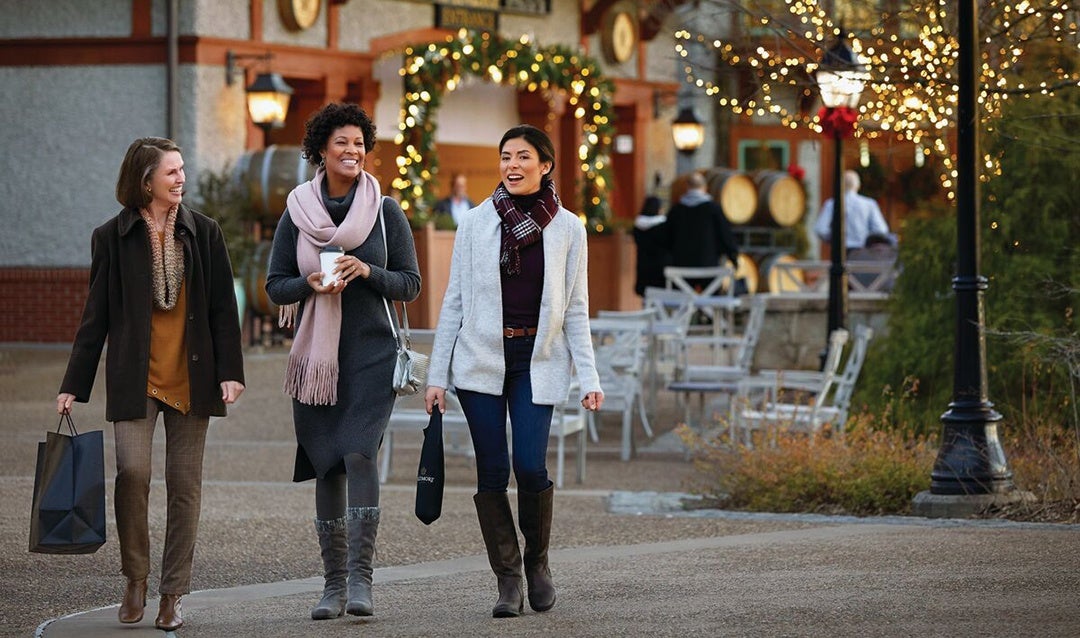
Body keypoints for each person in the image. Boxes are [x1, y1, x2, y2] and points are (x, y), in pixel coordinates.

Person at [56, 136, 246, 631]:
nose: (181, 178)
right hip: (134, 379)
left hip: (193, 377)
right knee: (133, 474)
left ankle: (172, 593)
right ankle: (135, 577)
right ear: (146, 181)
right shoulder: (111, 237)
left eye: (182, 170)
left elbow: (224, 309)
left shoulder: (204, 232)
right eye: (171, 172)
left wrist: (231, 371)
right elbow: (94, 317)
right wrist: (73, 384)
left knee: (185, 486)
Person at [424, 124, 604, 619]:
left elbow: (576, 309)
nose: (513, 165)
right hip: (481, 362)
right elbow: (454, 303)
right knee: (492, 471)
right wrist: (437, 376)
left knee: (530, 465)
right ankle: (508, 580)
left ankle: (538, 562)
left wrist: (589, 377)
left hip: (536, 362)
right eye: (506, 157)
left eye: (524, 156)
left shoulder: (568, 228)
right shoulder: (476, 223)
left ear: (545, 165)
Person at [264, 102, 420, 622]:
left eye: (359, 143)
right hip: (315, 359)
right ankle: (332, 585)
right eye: (341, 144)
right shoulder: (296, 211)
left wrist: (368, 270)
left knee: (358, 454)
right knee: (325, 460)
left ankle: (361, 581)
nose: (352, 151)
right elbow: (273, 285)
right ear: (321, 151)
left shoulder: (384, 210)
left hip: (370, 355)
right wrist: (306, 285)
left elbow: (410, 283)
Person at [662, 170, 740, 289]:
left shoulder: (676, 210)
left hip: (681, 269)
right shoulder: (713, 209)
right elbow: (725, 236)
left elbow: (666, 239)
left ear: (687, 187)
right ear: (705, 187)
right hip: (709, 268)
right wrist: (733, 257)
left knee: (683, 298)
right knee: (712, 296)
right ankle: (708, 309)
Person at [813, 169, 890, 254]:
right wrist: (867, 239)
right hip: (862, 251)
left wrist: (835, 239)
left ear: (841, 185)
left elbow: (821, 229)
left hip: (839, 252)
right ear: (858, 185)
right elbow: (881, 230)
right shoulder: (869, 204)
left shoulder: (831, 204)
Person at [632, 179, 670, 296]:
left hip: (643, 269)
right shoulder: (663, 226)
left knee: (646, 300)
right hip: (660, 270)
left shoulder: (637, 227)